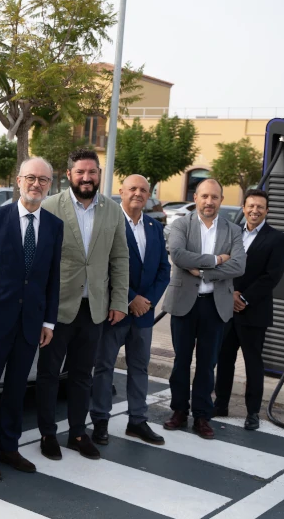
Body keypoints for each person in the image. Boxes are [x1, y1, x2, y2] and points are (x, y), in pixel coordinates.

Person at [0, 157, 63, 481]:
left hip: (30, 325)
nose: (37, 184)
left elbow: (52, 278)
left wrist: (49, 322)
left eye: (43, 180)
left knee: (17, 390)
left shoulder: (53, 225)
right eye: (31, 178)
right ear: (18, 181)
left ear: (50, 185)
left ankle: (8, 447)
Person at [36, 149, 129, 461]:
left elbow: (120, 258)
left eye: (92, 172)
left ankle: (78, 432)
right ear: (69, 174)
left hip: (94, 309)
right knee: (48, 374)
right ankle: (47, 434)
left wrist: (119, 301)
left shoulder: (113, 211)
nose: (86, 178)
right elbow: (38, 262)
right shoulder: (49, 207)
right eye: (80, 173)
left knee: (82, 375)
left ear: (100, 174)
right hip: (57, 309)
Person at [162, 178, 246, 439]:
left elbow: (239, 266)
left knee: (208, 364)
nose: (209, 201)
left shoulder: (232, 231)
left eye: (215, 197)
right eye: (204, 196)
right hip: (184, 304)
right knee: (181, 362)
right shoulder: (181, 225)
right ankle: (178, 410)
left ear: (221, 200)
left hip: (215, 305)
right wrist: (216, 260)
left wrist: (202, 272)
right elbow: (178, 255)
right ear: (196, 198)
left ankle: (202, 416)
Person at [90, 174, 170, 446]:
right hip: (115, 310)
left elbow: (164, 270)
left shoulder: (155, 227)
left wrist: (146, 301)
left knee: (140, 368)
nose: (138, 193)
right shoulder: (109, 223)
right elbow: (103, 268)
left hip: (143, 314)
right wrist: (129, 300)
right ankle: (100, 420)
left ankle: (137, 421)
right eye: (132, 189)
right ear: (121, 192)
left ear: (149, 195)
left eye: (143, 190)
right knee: (104, 367)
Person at [214, 190, 284, 430]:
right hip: (227, 308)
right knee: (224, 359)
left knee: (253, 363)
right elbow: (223, 264)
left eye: (260, 207)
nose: (255, 210)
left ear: (267, 211)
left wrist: (244, 297)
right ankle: (220, 404)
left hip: (254, 310)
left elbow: (272, 276)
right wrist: (231, 294)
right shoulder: (233, 233)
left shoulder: (277, 238)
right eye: (251, 206)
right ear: (243, 208)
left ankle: (252, 413)